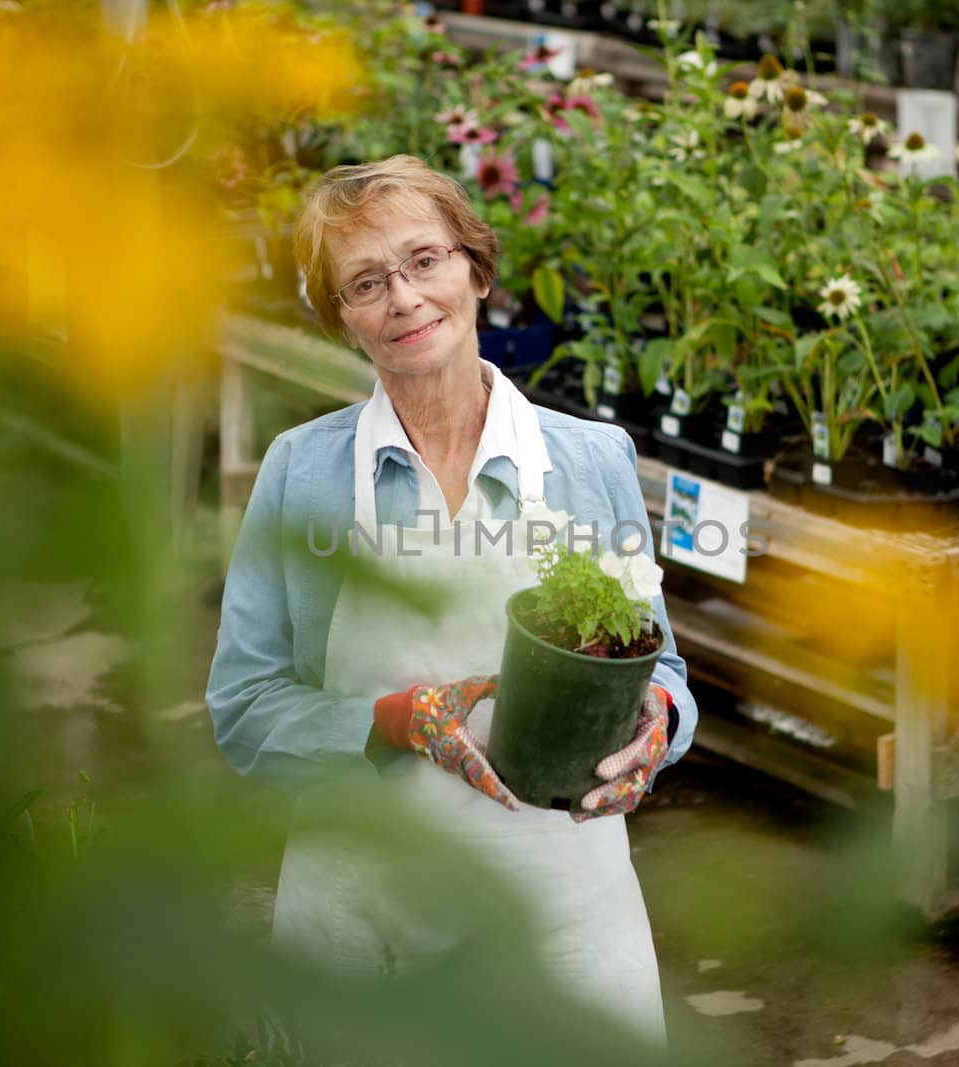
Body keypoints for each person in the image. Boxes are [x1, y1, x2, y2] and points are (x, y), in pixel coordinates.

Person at [205, 154, 697, 1043]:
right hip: (364, 902)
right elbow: (243, 709)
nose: (403, 297)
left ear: (475, 268)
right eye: (366, 282)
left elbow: (658, 666)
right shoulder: (303, 474)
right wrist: (395, 719)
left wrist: (659, 720)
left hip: (560, 907)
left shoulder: (591, 462)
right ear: (341, 318)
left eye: (424, 260)